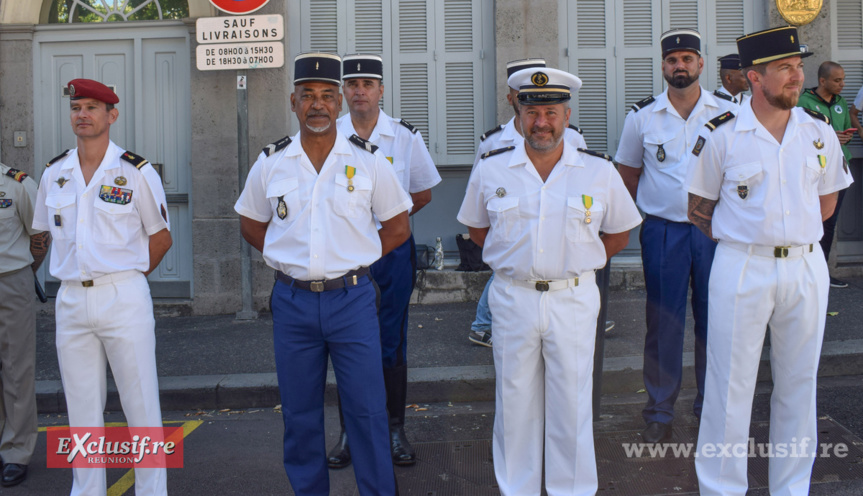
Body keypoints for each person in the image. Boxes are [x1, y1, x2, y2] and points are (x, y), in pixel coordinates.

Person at [458, 67, 641, 496]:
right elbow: (478, 230)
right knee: (514, 404)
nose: (541, 122)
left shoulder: (597, 170)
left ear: (567, 115)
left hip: (573, 299)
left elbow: (618, 234)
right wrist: (516, 260)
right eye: (532, 112)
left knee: (572, 404)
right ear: (519, 114)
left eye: (551, 112)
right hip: (514, 297)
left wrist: (578, 261)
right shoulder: (492, 168)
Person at [234, 53, 411, 496]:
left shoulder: (369, 161)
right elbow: (251, 224)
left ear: (339, 103)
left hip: (352, 300)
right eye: (308, 95)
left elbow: (397, 226)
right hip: (292, 302)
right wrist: (287, 258)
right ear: (293, 102)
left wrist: (357, 255)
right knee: (299, 414)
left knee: (367, 411)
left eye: (328, 96)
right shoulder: (271, 162)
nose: (318, 104)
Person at [687, 26, 853, 496]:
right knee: (729, 387)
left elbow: (827, 204)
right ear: (754, 77)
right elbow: (698, 209)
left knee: (799, 384)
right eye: (785, 68)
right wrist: (748, 238)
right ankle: (721, 488)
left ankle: (791, 487)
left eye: (798, 66)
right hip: (742, 266)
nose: (797, 76)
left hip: (804, 266)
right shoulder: (721, 134)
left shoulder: (818, 132)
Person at [32, 79, 172, 495]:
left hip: (122, 296)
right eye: (76, 107)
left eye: (92, 107)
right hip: (71, 298)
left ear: (112, 115)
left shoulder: (135, 172)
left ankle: (151, 491)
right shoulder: (54, 173)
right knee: (80, 410)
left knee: (140, 405)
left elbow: (161, 237)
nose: (83, 114)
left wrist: (127, 277)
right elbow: (42, 233)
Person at [616, 28, 737, 443]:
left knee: (715, 321)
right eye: (672, 60)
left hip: (715, 232)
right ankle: (659, 412)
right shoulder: (643, 116)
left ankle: (711, 409)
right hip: (664, 232)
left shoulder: (729, 113)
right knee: (663, 322)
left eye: (687, 59)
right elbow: (628, 175)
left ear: (701, 63)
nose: (679, 66)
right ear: (663, 66)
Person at [326, 53, 441, 469]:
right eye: (352, 85)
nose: (360, 91)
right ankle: (350, 433)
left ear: (381, 91)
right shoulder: (329, 134)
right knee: (345, 343)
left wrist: (386, 225)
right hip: (345, 254)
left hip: (391, 253)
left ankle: (394, 429)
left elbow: (423, 193)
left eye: (368, 85)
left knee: (390, 341)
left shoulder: (403, 137)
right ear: (344, 92)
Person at [468, 58, 592, 348]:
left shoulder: (573, 137)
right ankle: (483, 324)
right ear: (511, 97)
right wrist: (504, 248)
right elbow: (478, 200)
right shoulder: (492, 142)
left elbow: (585, 183)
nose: (541, 119)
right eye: (521, 91)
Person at [0, 163, 49, 487]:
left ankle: (16, 452)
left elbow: (40, 235)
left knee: (16, 369)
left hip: (10, 281)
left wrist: (25, 274)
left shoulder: (17, 185)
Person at [797, 61, 854, 288]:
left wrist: (844, 137)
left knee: (830, 223)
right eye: (837, 80)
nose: (842, 84)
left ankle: (823, 274)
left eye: (843, 79)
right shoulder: (803, 102)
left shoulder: (841, 102)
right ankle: (805, 274)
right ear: (822, 81)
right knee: (813, 221)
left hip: (838, 168)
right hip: (813, 170)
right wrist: (828, 139)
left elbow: (846, 127)